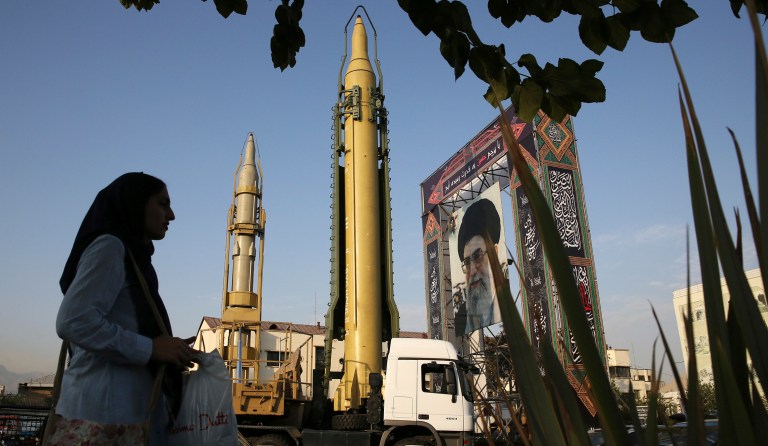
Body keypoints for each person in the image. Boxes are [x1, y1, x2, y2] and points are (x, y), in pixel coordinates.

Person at [48, 172, 198, 445]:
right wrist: (151, 348)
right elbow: (74, 321)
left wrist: (167, 348)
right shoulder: (109, 247)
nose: (172, 214)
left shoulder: (135, 259)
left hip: (125, 418)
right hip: (102, 418)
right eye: (162, 203)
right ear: (136, 203)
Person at [455, 198, 502, 334]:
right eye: (467, 262)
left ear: (495, 253)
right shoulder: (461, 319)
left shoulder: (509, 305)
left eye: (477, 256)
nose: (473, 271)